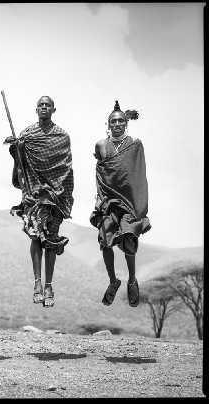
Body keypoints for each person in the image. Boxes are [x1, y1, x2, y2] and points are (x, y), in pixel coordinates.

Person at [5, 96, 74, 307]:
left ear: (54, 109)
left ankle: (49, 285)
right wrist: (17, 151)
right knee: (35, 237)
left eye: (48, 105)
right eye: (41, 105)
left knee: (51, 239)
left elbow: (66, 168)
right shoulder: (27, 135)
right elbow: (21, 168)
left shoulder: (62, 136)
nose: (44, 107)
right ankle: (37, 283)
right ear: (36, 109)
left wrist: (60, 192)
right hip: (33, 195)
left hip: (55, 195)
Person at [90, 100, 151, 307]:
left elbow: (137, 174)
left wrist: (139, 204)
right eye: (113, 121)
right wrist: (99, 198)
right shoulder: (100, 145)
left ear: (126, 123)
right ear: (108, 124)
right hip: (108, 200)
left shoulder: (135, 145)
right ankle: (113, 280)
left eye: (120, 121)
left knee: (129, 239)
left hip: (129, 202)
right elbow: (101, 173)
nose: (117, 124)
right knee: (105, 240)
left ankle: (132, 280)